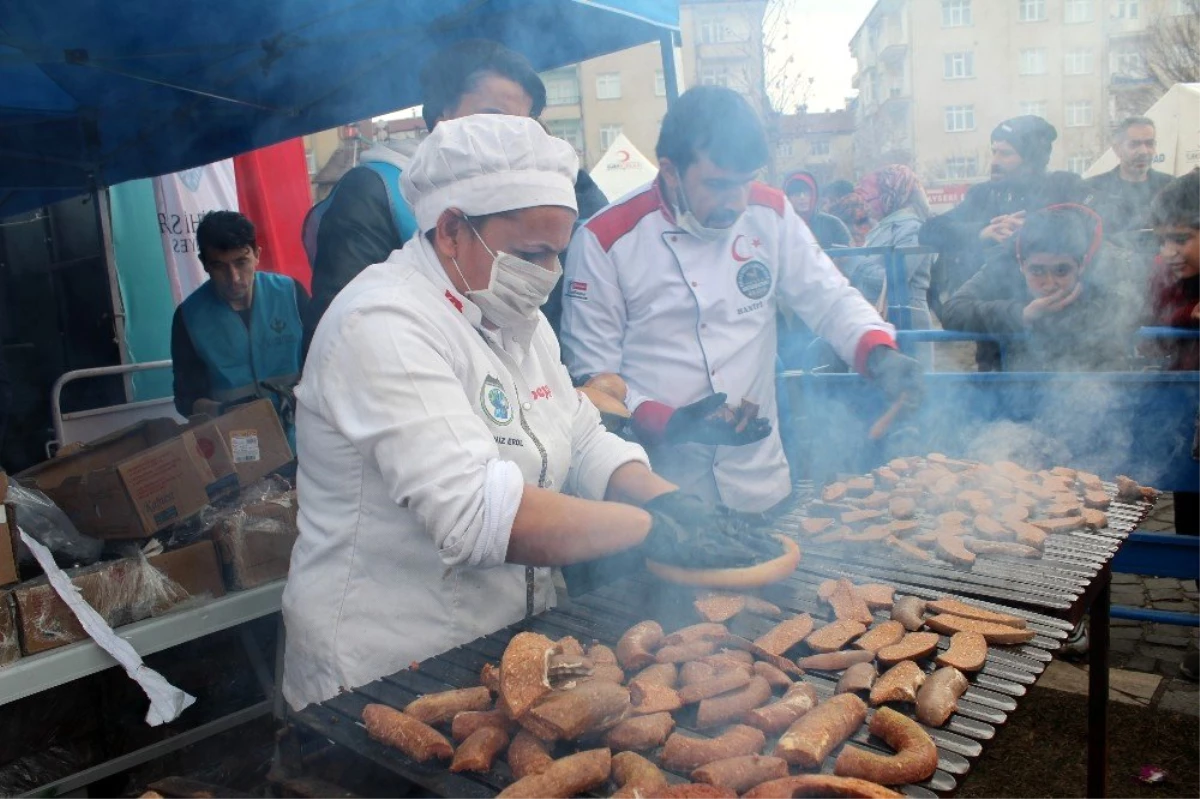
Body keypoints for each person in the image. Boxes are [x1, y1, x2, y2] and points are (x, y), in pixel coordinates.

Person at [283, 115, 769, 710]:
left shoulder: (516, 315)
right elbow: (476, 513)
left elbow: (581, 433)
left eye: (557, 254)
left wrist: (663, 497)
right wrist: (653, 531)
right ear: (452, 229)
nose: (547, 277)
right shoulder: (380, 324)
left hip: (502, 647)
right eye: (531, 253)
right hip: (386, 668)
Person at [560, 85, 924, 515]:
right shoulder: (605, 238)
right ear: (670, 171)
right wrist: (669, 422)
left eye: (745, 182)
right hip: (660, 490)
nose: (735, 202)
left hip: (759, 481)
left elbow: (828, 297)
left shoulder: (770, 212)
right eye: (716, 184)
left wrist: (877, 351)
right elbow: (596, 380)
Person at [303, 39, 607, 349]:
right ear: (442, 117)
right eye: (492, 117)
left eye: (524, 124)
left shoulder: (545, 188)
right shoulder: (376, 188)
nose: (513, 137)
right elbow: (341, 329)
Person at [939, 204, 1138, 372]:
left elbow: (1133, 308)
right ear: (1021, 263)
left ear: (1082, 265)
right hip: (1006, 386)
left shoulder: (1107, 265)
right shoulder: (1002, 265)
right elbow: (953, 310)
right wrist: (1020, 314)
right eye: (1037, 271)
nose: (1049, 284)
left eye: (1062, 271)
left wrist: (1076, 316)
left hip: (1088, 384)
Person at [171, 212, 307, 436]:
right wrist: (225, 411)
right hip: (237, 442)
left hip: (303, 437)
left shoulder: (292, 294)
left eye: (241, 262)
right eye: (220, 267)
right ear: (204, 264)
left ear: (257, 255)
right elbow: (186, 399)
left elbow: (326, 361)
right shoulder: (189, 317)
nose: (234, 277)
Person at [920, 116, 1084, 299]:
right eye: (994, 151)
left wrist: (1032, 229)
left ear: (1032, 159)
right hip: (984, 306)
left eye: (1005, 154)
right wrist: (983, 231)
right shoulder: (982, 194)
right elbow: (929, 231)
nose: (994, 162)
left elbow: (1089, 232)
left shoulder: (1063, 187)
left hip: (1048, 304)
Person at [1144, 170, 1200, 680]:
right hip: (1187, 426)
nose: (1170, 250)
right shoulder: (1166, 277)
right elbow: (1151, 317)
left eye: (1181, 238)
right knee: (1193, 524)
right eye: (1163, 239)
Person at [847, 165, 937, 365]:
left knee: (911, 386)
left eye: (871, 199)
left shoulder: (913, 228)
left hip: (907, 319)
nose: (866, 206)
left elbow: (897, 276)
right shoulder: (884, 227)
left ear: (891, 195)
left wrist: (856, 264)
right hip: (880, 316)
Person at [1085, 116, 1174, 245]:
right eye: (1134, 144)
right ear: (1117, 149)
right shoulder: (1093, 190)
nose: (1144, 151)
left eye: (1149, 143)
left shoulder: (1171, 188)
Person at [782, 171, 851, 250]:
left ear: (814, 194)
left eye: (806, 192)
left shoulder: (832, 223)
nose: (802, 197)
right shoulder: (781, 226)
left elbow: (847, 253)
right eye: (796, 193)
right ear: (787, 197)